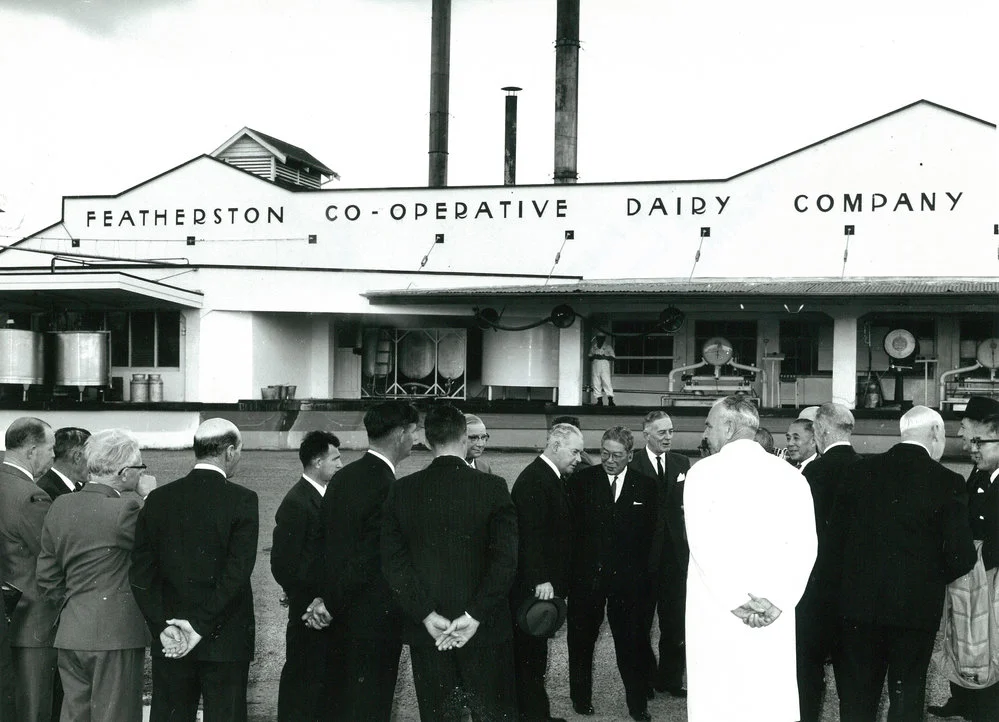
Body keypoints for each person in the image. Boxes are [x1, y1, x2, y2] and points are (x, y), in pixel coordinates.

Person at [834, 406, 975, 722]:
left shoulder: (858, 473)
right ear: (935, 433)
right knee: (907, 696)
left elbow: (834, 544)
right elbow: (961, 556)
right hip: (914, 611)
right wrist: (926, 578)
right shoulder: (948, 481)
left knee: (857, 699)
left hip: (857, 609)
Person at [381, 404, 518, 721]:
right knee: (493, 713)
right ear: (464, 438)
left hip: (430, 631)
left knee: (439, 714)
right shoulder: (493, 488)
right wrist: (474, 615)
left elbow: (394, 565)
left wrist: (426, 615)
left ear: (427, 442)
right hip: (485, 629)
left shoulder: (401, 491)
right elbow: (505, 562)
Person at [685, 396, 816, 722]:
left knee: (718, 701)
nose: (707, 433)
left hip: (717, 612)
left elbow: (702, 547)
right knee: (767, 700)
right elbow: (806, 548)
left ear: (729, 427)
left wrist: (736, 602)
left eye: (709, 425)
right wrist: (777, 603)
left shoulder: (702, 473)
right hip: (772, 614)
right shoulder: (792, 477)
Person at [130, 418, 258, 722]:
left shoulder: (159, 499)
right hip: (225, 639)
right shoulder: (242, 499)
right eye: (239, 451)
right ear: (229, 451)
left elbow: (141, 574)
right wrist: (199, 626)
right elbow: (236, 574)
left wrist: (163, 626)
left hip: (172, 638)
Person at [35, 429, 156, 722]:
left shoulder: (61, 504)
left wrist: (76, 605)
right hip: (116, 633)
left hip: (73, 630)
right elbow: (158, 544)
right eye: (139, 467)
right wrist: (152, 495)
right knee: (117, 714)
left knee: (75, 714)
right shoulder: (125, 509)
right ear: (125, 472)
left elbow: (47, 576)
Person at [323, 401, 419, 721]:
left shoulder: (343, 477)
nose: (416, 439)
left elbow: (327, 544)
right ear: (402, 433)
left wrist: (328, 601)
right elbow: (370, 558)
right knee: (371, 706)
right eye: (414, 431)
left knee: (343, 702)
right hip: (374, 621)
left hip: (340, 618)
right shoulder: (389, 487)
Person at [567, 426, 659, 721]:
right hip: (587, 579)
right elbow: (571, 532)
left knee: (630, 643)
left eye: (617, 455)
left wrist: (645, 578)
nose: (609, 460)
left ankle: (637, 706)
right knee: (581, 641)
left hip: (629, 583)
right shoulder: (581, 482)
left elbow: (653, 536)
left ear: (630, 455)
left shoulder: (646, 486)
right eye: (604, 453)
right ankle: (580, 698)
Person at [930, 396, 999, 722]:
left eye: (978, 441)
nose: (971, 447)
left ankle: (985, 708)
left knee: (989, 644)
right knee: (965, 640)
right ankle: (964, 701)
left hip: (991, 580)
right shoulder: (980, 472)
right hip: (972, 577)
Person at [509, 422, 584, 722]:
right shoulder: (535, 481)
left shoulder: (549, 477)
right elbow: (529, 535)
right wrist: (541, 578)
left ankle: (534, 714)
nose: (579, 458)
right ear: (555, 446)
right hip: (535, 588)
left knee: (533, 657)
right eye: (575, 451)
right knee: (530, 657)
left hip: (542, 585)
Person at [796, 402, 862, 722]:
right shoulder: (867, 470)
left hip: (815, 591)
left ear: (820, 432)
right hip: (854, 593)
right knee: (853, 676)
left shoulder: (812, 472)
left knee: (808, 672)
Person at [271, 430, 343, 722]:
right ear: (316, 461)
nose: (341, 464)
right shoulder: (297, 503)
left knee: (320, 684)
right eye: (335, 459)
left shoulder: (323, 496)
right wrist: (309, 600)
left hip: (320, 610)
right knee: (303, 685)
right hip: (308, 615)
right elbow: (283, 564)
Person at [628, 410, 691, 698]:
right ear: (647, 435)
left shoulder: (681, 463)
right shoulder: (634, 464)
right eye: (662, 432)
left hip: (675, 559)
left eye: (670, 431)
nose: (668, 437)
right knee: (641, 623)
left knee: (675, 623)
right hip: (643, 559)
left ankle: (670, 679)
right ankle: (645, 679)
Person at [0, 417, 58, 722]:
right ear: (32, 450)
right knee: (33, 709)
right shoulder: (31, 495)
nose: (52, 456)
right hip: (30, 621)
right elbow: (51, 555)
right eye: (51, 449)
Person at [36, 427, 91, 500]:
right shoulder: (47, 493)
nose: (93, 464)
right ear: (77, 457)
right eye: (91, 456)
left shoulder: (79, 488)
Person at [588, 333, 616, 406]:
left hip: (604, 366)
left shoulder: (608, 347)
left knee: (607, 382)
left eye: (601, 338)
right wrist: (594, 356)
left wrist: (604, 357)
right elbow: (589, 358)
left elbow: (613, 357)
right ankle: (599, 400)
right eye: (598, 338)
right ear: (596, 338)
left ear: (604, 338)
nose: (600, 339)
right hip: (595, 366)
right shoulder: (594, 347)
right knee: (596, 382)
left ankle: (610, 400)